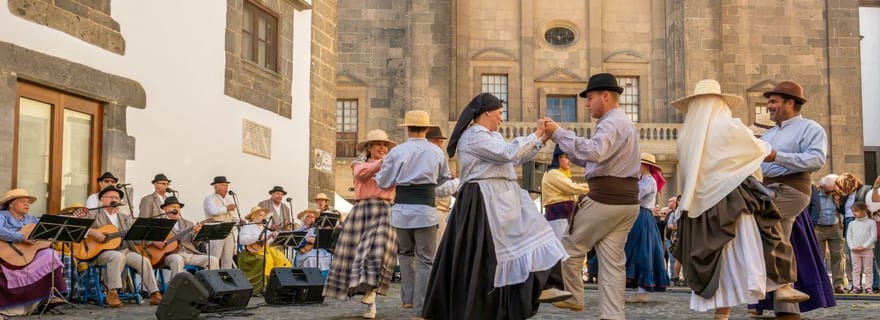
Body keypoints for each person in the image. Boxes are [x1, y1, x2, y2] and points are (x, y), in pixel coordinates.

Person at [423, 93, 570, 320]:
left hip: (503, 197)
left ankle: (545, 285)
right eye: (500, 114)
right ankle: (481, 307)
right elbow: (507, 154)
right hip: (484, 199)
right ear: (488, 112)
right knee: (485, 256)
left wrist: (541, 140)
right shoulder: (473, 136)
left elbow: (514, 157)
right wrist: (537, 133)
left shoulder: (492, 136)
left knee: (538, 234)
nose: (502, 119)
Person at [670, 79, 807, 320]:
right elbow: (755, 148)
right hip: (732, 202)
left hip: (702, 207)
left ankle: (724, 315)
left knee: (721, 262)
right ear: (720, 102)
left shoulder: (686, 136)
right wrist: (764, 147)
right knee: (763, 240)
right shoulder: (728, 126)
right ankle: (781, 285)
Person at [542, 73, 640, 318]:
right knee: (612, 264)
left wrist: (559, 132)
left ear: (606, 96)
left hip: (605, 199)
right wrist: (562, 140)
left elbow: (595, 152)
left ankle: (573, 295)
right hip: (627, 202)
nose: (586, 104)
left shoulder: (610, 122)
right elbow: (593, 159)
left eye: (590, 98)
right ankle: (612, 315)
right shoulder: (623, 122)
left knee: (569, 247)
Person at [759, 80, 828, 318]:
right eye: (769, 101)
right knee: (781, 241)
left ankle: (783, 286)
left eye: (773, 101)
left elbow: (816, 160)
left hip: (792, 190)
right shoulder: (768, 133)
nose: (769, 105)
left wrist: (777, 156)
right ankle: (787, 308)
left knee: (757, 221)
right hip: (768, 189)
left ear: (790, 103)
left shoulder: (811, 128)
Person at [375, 110, 452, 316]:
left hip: (401, 211)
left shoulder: (397, 152)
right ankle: (422, 306)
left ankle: (408, 299)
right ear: (427, 129)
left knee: (406, 254)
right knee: (426, 258)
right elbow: (444, 181)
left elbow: (383, 182)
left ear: (407, 129)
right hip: (425, 211)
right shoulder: (436, 152)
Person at [324, 129, 398, 319]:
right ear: (369, 147)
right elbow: (361, 175)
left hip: (385, 210)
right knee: (359, 255)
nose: (383, 148)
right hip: (362, 211)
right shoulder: (359, 164)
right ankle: (371, 303)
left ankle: (372, 291)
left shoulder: (393, 167)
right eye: (378, 144)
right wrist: (384, 162)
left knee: (378, 251)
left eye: (385, 145)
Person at [84, 185, 162, 307]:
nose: (114, 199)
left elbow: (136, 239)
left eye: (117, 197)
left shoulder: (125, 218)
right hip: (100, 252)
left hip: (125, 250)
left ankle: (154, 293)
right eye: (111, 197)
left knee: (143, 260)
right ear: (102, 199)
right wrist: (92, 232)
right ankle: (112, 292)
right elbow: (77, 227)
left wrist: (144, 233)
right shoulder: (93, 214)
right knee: (117, 256)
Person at [0, 189, 66, 316]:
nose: (27, 204)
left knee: (50, 254)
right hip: (6, 254)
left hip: (27, 255)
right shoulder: (2, 215)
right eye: (22, 201)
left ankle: (50, 296)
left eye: (28, 202)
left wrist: (49, 237)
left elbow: (44, 234)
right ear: (11, 204)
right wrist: (20, 237)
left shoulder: (32, 219)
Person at [623, 153, 671, 303]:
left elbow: (636, 197)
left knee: (643, 252)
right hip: (638, 215)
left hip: (642, 216)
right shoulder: (644, 180)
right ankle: (639, 290)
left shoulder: (649, 181)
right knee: (637, 250)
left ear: (644, 165)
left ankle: (642, 292)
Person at [157, 197, 218, 277]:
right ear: (165, 209)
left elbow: (196, 244)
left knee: (213, 260)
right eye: (173, 207)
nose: (176, 209)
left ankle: (206, 286)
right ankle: (177, 287)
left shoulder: (189, 224)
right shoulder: (160, 224)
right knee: (177, 259)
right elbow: (151, 240)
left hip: (189, 254)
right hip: (171, 255)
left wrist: (196, 233)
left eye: (178, 207)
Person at [238, 207, 292, 296]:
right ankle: (265, 286)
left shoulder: (264, 227)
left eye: (263, 215)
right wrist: (260, 237)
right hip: (253, 252)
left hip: (267, 249)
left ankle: (282, 283)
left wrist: (274, 237)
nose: (262, 217)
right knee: (267, 260)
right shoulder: (248, 227)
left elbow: (269, 242)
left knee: (283, 259)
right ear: (253, 216)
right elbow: (243, 240)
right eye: (260, 215)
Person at [541, 145, 589, 240]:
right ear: (559, 157)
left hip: (565, 216)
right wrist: (591, 188)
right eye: (567, 157)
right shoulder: (553, 173)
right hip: (558, 216)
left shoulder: (560, 174)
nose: (569, 162)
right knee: (563, 248)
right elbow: (572, 188)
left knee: (567, 248)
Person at [811, 174, 846, 293]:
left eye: (832, 190)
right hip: (818, 228)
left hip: (835, 227)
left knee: (838, 256)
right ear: (822, 186)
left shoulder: (838, 194)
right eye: (828, 190)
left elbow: (846, 209)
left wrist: (838, 202)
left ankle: (838, 284)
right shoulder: (814, 193)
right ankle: (821, 284)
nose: (830, 193)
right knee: (819, 256)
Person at [426, 126, 460, 246]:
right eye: (437, 141)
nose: (440, 145)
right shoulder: (430, 159)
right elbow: (440, 189)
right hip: (436, 210)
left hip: (441, 211)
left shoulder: (436, 158)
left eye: (441, 142)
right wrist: (458, 181)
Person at [203, 176, 238, 269]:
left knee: (228, 258)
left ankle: (225, 279)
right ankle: (211, 279)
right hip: (216, 229)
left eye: (226, 185)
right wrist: (226, 208)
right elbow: (213, 211)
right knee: (214, 258)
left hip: (228, 229)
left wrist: (237, 220)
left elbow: (233, 214)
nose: (226, 188)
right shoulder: (209, 198)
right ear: (215, 186)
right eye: (223, 185)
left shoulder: (229, 199)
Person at [846, 202, 876, 294]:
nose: (854, 213)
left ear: (864, 211)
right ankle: (856, 287)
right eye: (853, 211)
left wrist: (864, 246)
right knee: (856, 269)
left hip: (867, 250)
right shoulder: (852, 223)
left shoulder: (871, 222)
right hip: (855, 251)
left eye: (856, 211)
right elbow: (849, 236)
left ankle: (868, 287)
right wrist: (852, 247)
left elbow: (873, 236)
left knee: (868, 269)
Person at [293, 209, 333, 273]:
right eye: (308, 216)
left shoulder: (318, 229)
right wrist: (306, 240)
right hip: (305, 252)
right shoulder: (299, 230)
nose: (311, 218)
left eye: (313, 217)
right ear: (303, 218)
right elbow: (294, 246)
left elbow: (326, 243)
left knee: (331, 257)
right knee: (311, 259)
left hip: (320, 251)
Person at [665, 196, 684, 286]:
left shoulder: (686, 211)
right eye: (679, 200)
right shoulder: (675, 213)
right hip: (677, 237)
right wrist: (678, 227)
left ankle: (685, 278)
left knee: (685, 258)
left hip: (685, 236)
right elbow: (669, 225)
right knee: (677, 258)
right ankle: (675, 278)